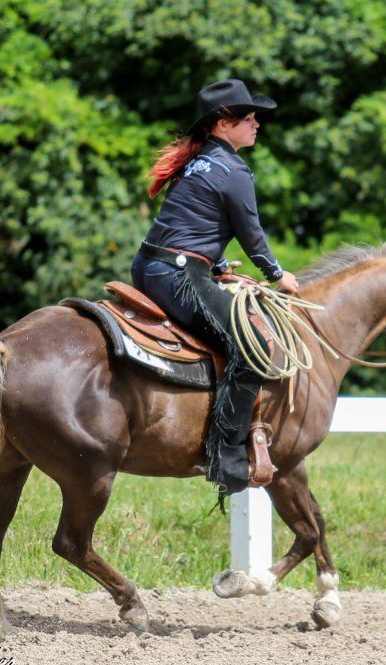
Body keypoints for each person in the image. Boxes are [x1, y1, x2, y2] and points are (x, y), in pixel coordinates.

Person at [131, 78, 298, 499]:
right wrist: (279, 275)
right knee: (254, 349)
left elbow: (190, 222)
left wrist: (217, 264)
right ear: (224, 124)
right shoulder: (233, 171)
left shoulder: (200, 162)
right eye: (249, 118)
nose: (257, 124)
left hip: (154, 266)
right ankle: (225, 456)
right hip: (179, 276)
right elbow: (252, 233)